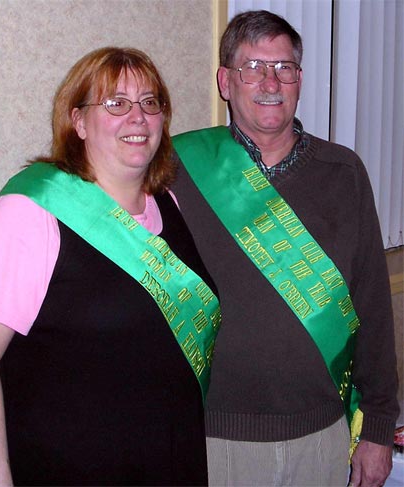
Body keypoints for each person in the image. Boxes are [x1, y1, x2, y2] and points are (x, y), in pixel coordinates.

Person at [0, 47, 221, 486]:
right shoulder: (29, 212)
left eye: (150, 102)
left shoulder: (167, 205)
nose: (138, 117)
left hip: (174, 463)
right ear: (78, 122)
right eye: (115, 103)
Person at [172, 10, 399, 487]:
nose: (270, 82)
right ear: (225, 81)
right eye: (252, 67)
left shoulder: (344, 173)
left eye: (284, 68)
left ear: (299, 79)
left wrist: (377, 427)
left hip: (322, 433)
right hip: (214, 438)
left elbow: (373, 305)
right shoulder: (178, 170)